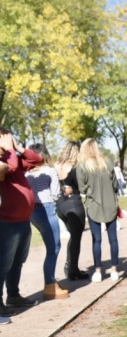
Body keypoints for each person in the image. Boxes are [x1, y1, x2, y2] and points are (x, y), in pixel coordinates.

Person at [0, 128, 42, 321]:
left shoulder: (13, 157)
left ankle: (14, 295)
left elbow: (36, 160)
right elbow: (12, 168)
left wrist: (18, 147)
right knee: (3, 264)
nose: (9, 141)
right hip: (6, 223)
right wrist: (9, 151)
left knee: (18, 261)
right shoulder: (5, 164)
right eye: (6, 138)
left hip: (23, 221)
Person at [25, 143, 67, 300]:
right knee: (54, 247)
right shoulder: (50, 171)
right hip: (47, 208)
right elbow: (55, 194)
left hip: (32, 211)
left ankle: (51, 282)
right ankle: (49, 284)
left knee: (51, 247)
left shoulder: (26, 173)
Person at [77, 139, 122, 283]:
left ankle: (98, 271)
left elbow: (82, 188)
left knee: (96, 240)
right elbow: (115, 184)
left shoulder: (82, 166)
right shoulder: (107, 162)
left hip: (93, 205)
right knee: (113, 239)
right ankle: (114, 270)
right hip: (111, 204)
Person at [55, 141, 90, 281]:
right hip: (74, 204)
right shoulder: (75, 168)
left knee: (72, 237)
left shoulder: (56, 166)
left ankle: (70, 266)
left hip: (60, 205)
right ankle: (72, 269)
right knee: (76, 238)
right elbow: (82, 187)